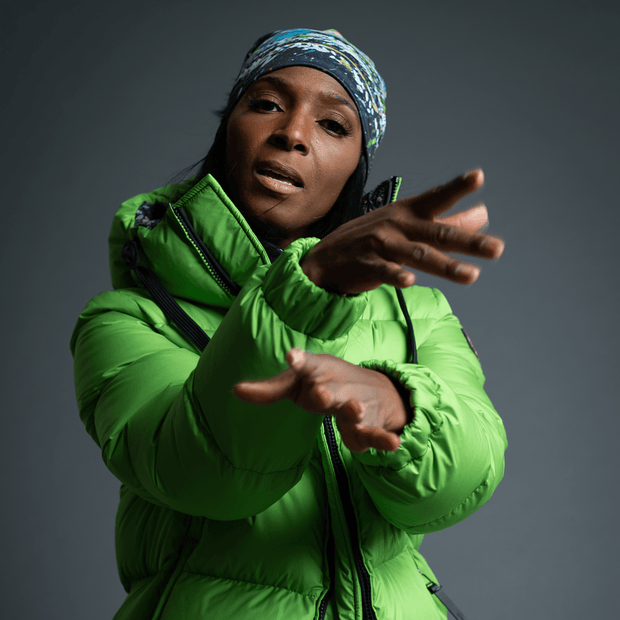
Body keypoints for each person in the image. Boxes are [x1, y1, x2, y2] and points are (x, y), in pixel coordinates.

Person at [71, 28, 507, 620]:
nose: (293, 134)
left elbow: (460, 486)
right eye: (267, 104)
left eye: (333, 125)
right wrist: (309, 286)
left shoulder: (417, 311)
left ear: (355, 167)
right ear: (230, 131)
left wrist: (399, 408)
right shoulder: (128, 318)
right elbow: (201, 473)